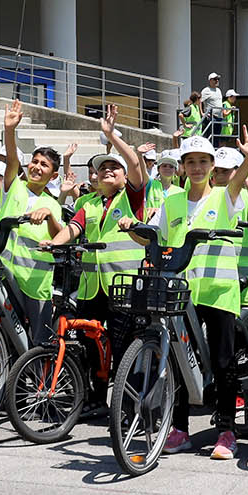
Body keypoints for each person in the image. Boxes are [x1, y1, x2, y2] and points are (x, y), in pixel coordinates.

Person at [160, 118, 248, 460]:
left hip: (220, 290)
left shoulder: (225, 196)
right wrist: (131, 226)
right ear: (181, 167)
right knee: (178, 361)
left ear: (211, 167)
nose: (196, 167)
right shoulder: (172, 202)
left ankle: (226, 431)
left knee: (223, 363)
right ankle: (179, 429)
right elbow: (159, 237)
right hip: (183, 292)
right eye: (190, 162)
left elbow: (238, 181)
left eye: (203, 162)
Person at [53, 105, 152, 367]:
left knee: (122, 348)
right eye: (103, 168)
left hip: (124, 285)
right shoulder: (90, 203)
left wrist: (111, 135)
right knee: (88, 345)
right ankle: (95, 400)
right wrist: (52, 243)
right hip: (90, 287)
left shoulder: (132, 196)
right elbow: (73, 228)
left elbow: (133, 162)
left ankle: (123, 404)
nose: (108, 170)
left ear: (124, 175)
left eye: (114, 167)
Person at [0, 99, 67, 346]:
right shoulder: (13, 186)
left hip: (36, 282)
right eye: (35, 162)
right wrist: (9, 130)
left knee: (40, 342)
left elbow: (60, 235)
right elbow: (11, 160)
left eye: (44, 165)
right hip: (6, 274)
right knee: (8, 337)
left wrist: (49, 216)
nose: (37, 167)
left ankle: (40, 381)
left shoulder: (54, 204)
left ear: (54, 175)